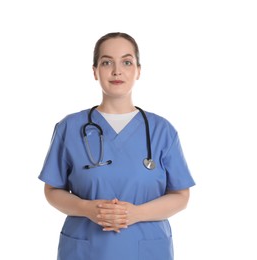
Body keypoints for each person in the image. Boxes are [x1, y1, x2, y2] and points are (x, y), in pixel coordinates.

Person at [38, 32, 195, 260]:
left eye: (127, 62)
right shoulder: (69, 128)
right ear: (95, 71)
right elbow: (52, 191)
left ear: (138, 71)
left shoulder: (162, 131)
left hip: (147, 250)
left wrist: (136, 214)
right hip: (86, 250)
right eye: (106, 62)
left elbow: (181, 195)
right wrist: (87, 209)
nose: (116, 71)